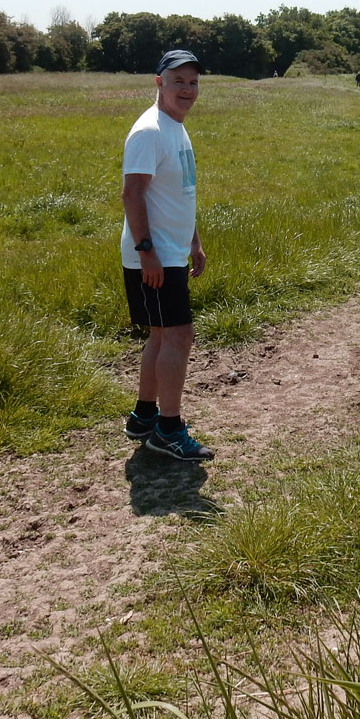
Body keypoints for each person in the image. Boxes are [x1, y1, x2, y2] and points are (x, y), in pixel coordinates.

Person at [120, 49, 214, 461]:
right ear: (159, 82)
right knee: (179, 335)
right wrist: (148, 255)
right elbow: (132, 194)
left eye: (193, 82)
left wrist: (193, 240)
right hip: (155, 256)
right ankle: (169, 429)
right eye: (179, 81)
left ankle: (144, 416)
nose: (187, 90)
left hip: (173, 252)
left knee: (162, 335)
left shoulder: (176, 127)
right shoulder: (150, 131)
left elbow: (181, 191)